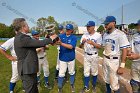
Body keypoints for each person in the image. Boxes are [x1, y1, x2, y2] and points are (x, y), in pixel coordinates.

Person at [13, 18, 57, 93]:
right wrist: (51, 39)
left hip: (29, 69)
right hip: (27, 70)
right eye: (27, 25)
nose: (28, 26)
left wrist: (47, 38)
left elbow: (36, 43)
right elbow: (39, 43)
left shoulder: (21, 37)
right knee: (30, 90)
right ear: (23, 27)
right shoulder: (22, 38)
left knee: (34, 89)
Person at [102, 16, 130, 93]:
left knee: (114, 85)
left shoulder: (120, 34)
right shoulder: (105, 34)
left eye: (107, 24)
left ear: (113, 23)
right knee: (106, 80)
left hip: (114, 61)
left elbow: (124, 49)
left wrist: (122, 65)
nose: (105, 25)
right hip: (105, 59)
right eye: (105, 24)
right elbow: (104, 46)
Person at [79, 21, 102, 93]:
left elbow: (100, 46)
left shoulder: (98, 35)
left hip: (94, 55)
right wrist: (82, 43)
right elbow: (80, 46)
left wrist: (92, 43)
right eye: (87, 26)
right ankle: (86, 86)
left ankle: (94, 86)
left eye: (89, 26)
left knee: (94, 72)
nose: (87, 28)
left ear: (93, 27)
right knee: (86, 71)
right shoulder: (84, 35)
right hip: (86, 55)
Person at [57, 24, 77, 93]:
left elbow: (71, 47)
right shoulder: (61, 35)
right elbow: (55, 41)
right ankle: (59, 87)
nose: (67, 30)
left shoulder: (74, 37)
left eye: (68, 29)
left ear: (71, 30)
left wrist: (61, 43)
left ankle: (72, 84)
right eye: (66, 29)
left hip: (71, 58)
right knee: (61, 73)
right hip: (62, 58)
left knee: (71, 72)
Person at [127, 19, 140, 93]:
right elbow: (130, 47)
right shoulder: (135, 36)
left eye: (138, 25)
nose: (137, 27)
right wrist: (129, 52)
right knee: (134, 83)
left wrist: (138, 56)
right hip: (135, 62)